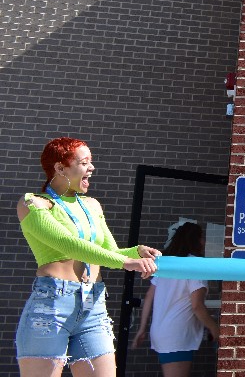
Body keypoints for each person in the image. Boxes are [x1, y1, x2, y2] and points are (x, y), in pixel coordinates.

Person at [15, 137, 160, 377]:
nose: (92, 168)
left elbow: (110, 253)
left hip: (93, 305)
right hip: (51, 306)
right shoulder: (33, 203)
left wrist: (136, 252)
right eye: (84, 162)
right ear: (60, 168)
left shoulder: (92, 205)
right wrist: (127, 261)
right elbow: (68, 245)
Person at [132, 221, 219, 377]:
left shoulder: (168, 264)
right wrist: (214, 328)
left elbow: (149, 296)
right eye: (202, 238)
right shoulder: (195, 265)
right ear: (197, 240)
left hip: (160, 332)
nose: (204, 242)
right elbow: (197, 306)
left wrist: (142, 328)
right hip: (177, 335)